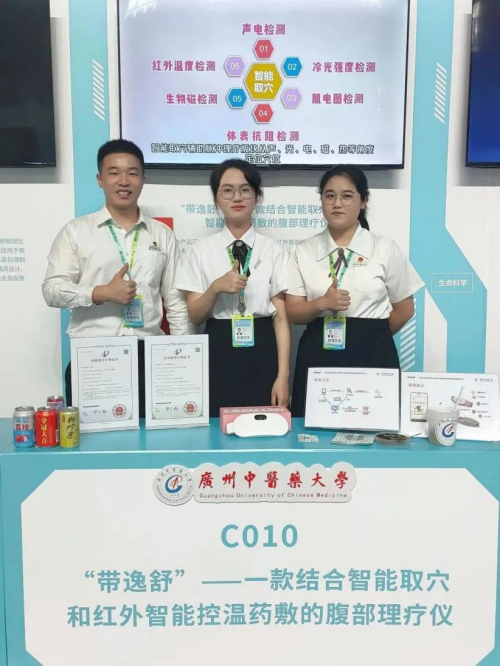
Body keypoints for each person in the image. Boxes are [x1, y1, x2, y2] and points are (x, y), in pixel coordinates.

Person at [42, 139, 193, 417]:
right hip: (93, 357)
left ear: (143, 180)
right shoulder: (76, 231)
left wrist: (184, 356)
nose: (124, 181)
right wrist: (100, 293)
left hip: (149, 357)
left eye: (132, 173)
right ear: (100, 179)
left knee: (156, 438)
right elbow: (52, 289)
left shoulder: (162, 235)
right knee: (92, 440)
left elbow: (175, 301)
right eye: (114, 173)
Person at [286, 164, 423, 417]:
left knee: (375, 425)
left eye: (347, 196)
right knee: (314, 427)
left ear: (363, 201)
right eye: (329, 196)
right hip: (319, 352)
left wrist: (369, 335)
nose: (337, 203)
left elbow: (405, 310)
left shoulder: (384, 248)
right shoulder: (303, 251)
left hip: (373, 352)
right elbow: (294, 312)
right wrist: (321, 303)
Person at [175, 159, 290, 416]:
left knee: (265, 424)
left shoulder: (274, 250)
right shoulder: (199, 251)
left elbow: (281, 318)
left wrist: (283, 376)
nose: (237, 197)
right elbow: (194, 315)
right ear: (216, 198)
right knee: (218, 425)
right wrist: (215, 288)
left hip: (262, 346)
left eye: (245, 189)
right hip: (218, 346)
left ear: (257, 196)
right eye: (227, 190)